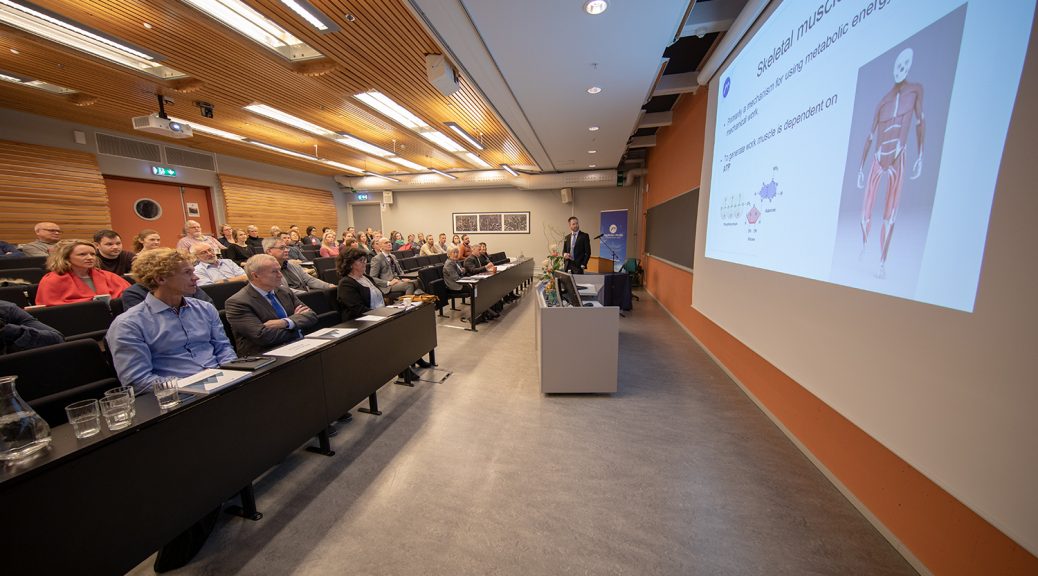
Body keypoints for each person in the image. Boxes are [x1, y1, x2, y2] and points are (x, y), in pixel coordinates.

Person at [106, 248, 236, 393]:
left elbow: (223, 348)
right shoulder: (128, 324)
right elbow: (138, 380)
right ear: (161, 279)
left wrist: (232, 373)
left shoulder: (205, 308)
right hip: (177, 394)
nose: (196, 278)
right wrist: (194, 386)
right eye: (187, 273)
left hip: (222, 382)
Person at [856, 47, 926, 279]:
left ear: (909, 67)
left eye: (905, 66)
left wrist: (921, 155)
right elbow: (870, 136)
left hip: (897, 156)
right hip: (878, 157)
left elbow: (919, 122)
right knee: (866, 211)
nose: (901, 70)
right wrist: (860, 168)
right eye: (898, 66)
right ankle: (863, 246)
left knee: (890, 214)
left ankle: (882, 262)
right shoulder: (882, 103)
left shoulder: (915, 92)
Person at [225, 254, 317, 356]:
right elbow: (263, 337)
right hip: (266, 355)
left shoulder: (284, 291)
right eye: (274, 271)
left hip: (298, 346)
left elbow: (311, 316)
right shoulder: (238, 302)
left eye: (279, 270)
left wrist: (285, 322)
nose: (280, 275)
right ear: (255, 275)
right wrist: (297, 325)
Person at [36, 240, 130, 305]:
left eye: (92, 254)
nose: (90, 258)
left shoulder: (109, 276)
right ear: (66, 257)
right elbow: (51, 308)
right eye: (82, 254)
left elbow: (130, 296)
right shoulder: (52, 280)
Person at [442, 247, 496, 321]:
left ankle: (485, 312)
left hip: (461, 282)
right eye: (454, 252)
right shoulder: (449, 264)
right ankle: (478, 315)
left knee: (480, 287)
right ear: (449, 254)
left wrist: (463, 272)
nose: (456, 254)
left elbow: (463, 271)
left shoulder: (456, 261)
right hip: (456, 286)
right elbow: (457, 278)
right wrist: (466, 277)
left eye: (457, 252)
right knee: (476, 289)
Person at [264, 237, 334, 293]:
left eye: (286, 247)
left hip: (305, 296)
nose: (286, 250)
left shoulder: (293, 265)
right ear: (269, 251)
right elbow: (283, 290)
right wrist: (308, 295)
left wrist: (329, 286)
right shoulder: (266, 271)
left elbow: (310, 280)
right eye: (282, 248)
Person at [335, 248, 384, 321]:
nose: (364, 263)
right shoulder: (345, 284)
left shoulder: (367, 278)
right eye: (361, 260)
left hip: (378, 315)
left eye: (365, 260)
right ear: (350, 264)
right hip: (360, 321)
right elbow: (358, 309)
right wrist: (381, 314)